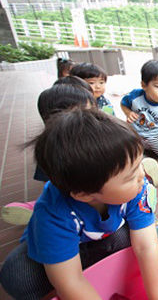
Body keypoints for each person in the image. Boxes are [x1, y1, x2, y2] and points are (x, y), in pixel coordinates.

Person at [0, 109, 158, 300]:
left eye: (140, 163)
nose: (142, 176)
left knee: (135, 238)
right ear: (84, 195)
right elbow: (71, 282)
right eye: (130, 176)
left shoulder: (138, 187)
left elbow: (146, 246)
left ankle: (98, 267)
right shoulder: (53, 215)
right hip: (61, 244)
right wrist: (67, 284)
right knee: (18, 275)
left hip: (100, 237)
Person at [1, 84, 96, 226]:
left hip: (87, 194)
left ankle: (40, 208)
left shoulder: (93, 138)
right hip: (77, 199)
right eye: (87, 114)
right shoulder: (52, 150)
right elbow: (50, 184)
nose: (94, 118)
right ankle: (40, 210)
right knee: (57, 204)